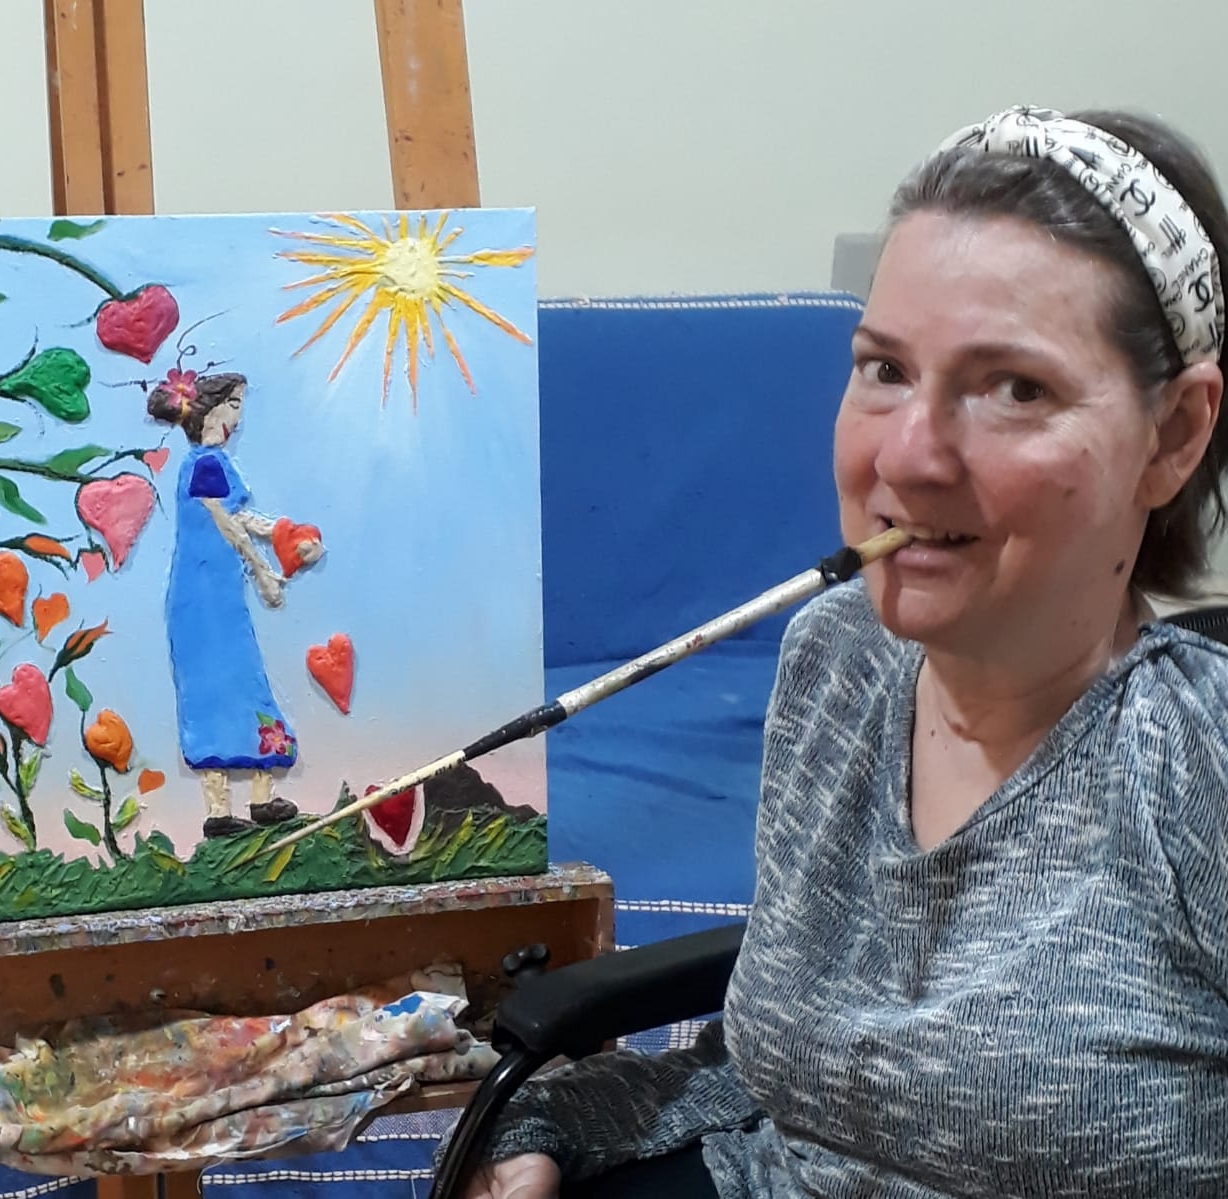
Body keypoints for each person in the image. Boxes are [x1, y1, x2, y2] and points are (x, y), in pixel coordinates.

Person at [454, 104, 1228, 1198]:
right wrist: (555, 1121)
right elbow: (791, 1066)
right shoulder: (839, 657)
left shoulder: (1196, 765)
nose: (906, 456)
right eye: (884, 369)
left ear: (1175, 435)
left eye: (1015, 388)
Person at [148, 370, 320, 837]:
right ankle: (219, 810)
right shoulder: (204, 462)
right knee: (217, 691)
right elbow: (226, 525)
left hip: (216, 595)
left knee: (243, 683)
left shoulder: (213, 463)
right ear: (212, 409)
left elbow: (241, 516)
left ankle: (258, 800)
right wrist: (262, 569)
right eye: (236, 404)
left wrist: (283, 532)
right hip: (201, 600)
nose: (239, 418)